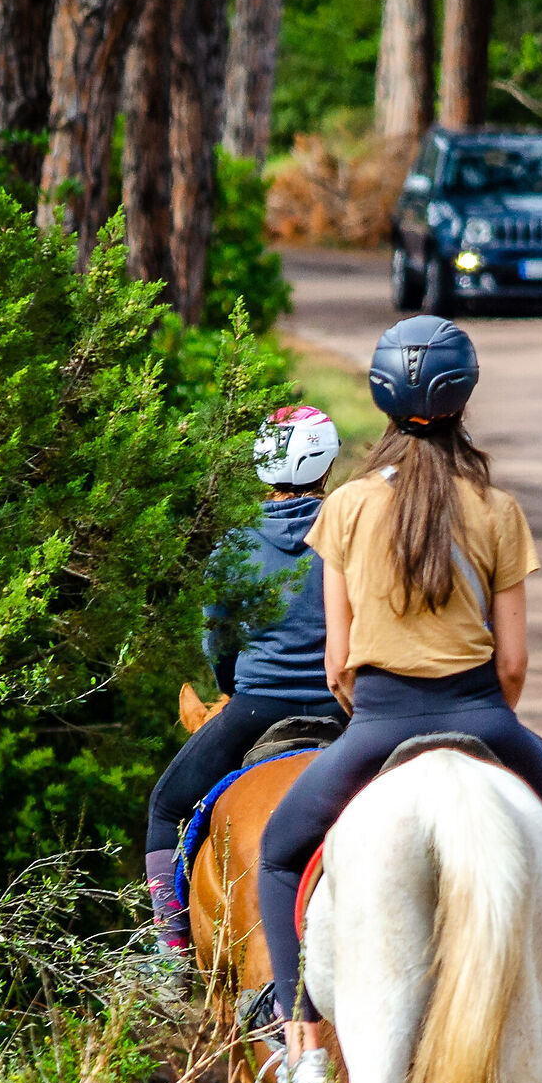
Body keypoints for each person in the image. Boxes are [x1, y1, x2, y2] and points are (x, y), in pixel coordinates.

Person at [249, 315, 542, 1083]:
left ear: (380, 398)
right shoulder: (496, 509)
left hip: (375, 727)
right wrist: (485, 728)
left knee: (281, 857)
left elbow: (339, 661)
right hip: (482, 718)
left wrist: (377, 714)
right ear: (464, 398)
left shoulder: (348, 508)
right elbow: (513, 665)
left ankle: (305, 1049)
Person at [144, 406, 349, 959]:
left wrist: (232, 687)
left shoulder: (233, 547)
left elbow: (218, 644)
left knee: (166, 809)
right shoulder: (352, 536)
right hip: (349, 708)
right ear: (327, 467)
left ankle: (173, 951)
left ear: (262, 466)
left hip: (257, 708)